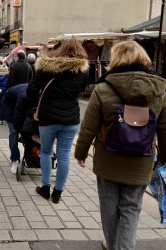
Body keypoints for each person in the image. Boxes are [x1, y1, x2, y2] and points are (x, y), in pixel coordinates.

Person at [74, 41, 166, 250]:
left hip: (108, 159)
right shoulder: (160, 89)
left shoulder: (104, 88)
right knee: (131, 209)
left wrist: (81, 152)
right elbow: (164, 128)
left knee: (109, 209)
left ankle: (113, 245)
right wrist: (163, 159)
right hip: (142, 161)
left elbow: (89, 126)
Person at [26, 38, 89, 204]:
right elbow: (81, 90)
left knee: (46, 152)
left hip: (48, 117)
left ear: (59, 49)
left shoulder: (46, 66)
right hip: (71, 118)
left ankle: (45, 187)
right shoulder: (82, 69)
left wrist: (38, 102)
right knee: (64, 155)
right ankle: (58, 191)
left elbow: (31, 90)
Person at [0, 83, 28, 174]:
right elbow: (17, 115)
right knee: (14, 132)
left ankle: (30, 156)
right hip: (10, 107)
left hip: (21, 105)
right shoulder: (24, 95)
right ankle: (15, 159)